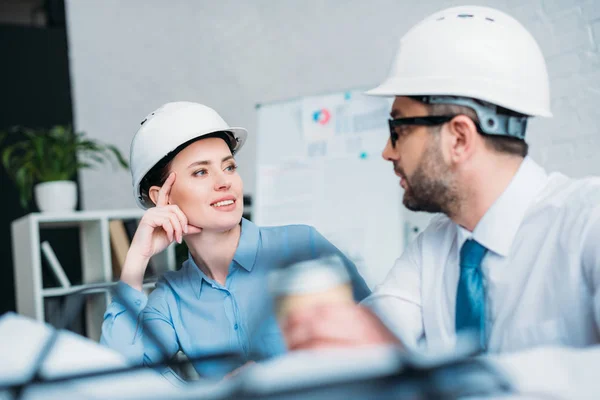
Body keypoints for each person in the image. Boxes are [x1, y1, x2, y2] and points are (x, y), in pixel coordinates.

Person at [282, 5, 600, 398]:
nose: (386, 151)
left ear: (460, 138)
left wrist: (474, 380)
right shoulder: (433, 248)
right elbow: (375, 335)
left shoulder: (589, 220)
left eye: (397, 129)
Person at [100, 101, 370, 378]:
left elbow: (379, 339)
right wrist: (137, 259)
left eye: (229, 167)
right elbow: (118, 377)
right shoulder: (173, 297)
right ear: (162, 198)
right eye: (201, 172)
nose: (224, 182)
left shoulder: (302, 246)